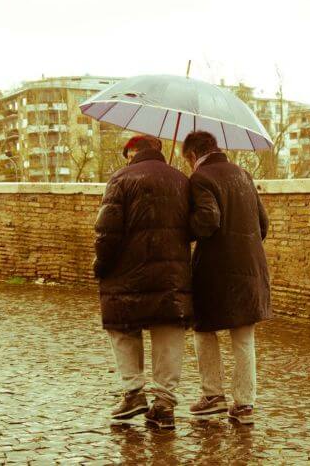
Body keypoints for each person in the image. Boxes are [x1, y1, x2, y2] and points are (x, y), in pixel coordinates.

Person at [93, 134, 192, 429]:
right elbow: (196, 227)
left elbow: (107, 232)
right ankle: (164, 403)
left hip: (127, 273)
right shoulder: (182, 181)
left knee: (123, 328)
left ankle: (134, 391)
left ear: (132, 152)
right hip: (171, 273)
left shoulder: (121, 179)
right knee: (169, 331)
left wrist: (102, 265)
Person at [182, 130, 271, 425]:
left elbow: (208, 220)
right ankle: (244, 404)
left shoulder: (201, 178)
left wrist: (184, 228)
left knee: (203, 329)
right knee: (244, 336)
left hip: (215, 269)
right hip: (250, 267)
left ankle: (212, 395)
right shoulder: (242, 174)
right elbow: (263, 223)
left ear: (193, 155)